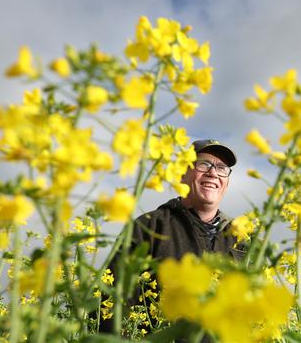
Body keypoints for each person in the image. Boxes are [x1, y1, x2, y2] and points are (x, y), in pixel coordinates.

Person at [98, 139, 244, 334]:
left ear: (226, 183)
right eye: (203, 164)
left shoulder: (241, 237)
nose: (213, 173)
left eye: (221, 168)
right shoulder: (149, 226)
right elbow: (111, 302)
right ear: (183, 173)